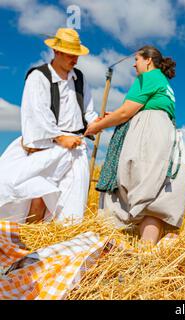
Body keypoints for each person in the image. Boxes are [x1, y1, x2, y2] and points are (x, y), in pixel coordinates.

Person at [84, 45, 185, 246]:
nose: (134, 64)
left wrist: (97, 126)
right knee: (155, 193)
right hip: (165, 134)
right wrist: (112, 116)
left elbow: (126, 112)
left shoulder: (147, 78)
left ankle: (136, 247)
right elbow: (129, 110)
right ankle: (146, 251)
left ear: (148, 60)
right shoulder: (164, 83)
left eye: (137, 60)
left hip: (148, 134)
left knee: (136, 183)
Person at [0, 28, 97, 225]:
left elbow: (88, 112)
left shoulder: (80, 80)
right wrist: (60, 137)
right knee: (38, 190)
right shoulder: (39, 77)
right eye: (71, 55)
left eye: (77, 55)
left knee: (71, 199)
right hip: (46, 144)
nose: (75, 60)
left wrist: (99, 122)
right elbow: (36, 112)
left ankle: (58, 239)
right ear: (57, 52)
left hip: (75, 148)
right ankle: (32, 238)